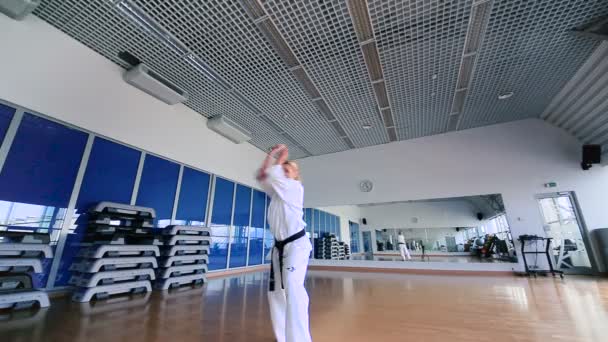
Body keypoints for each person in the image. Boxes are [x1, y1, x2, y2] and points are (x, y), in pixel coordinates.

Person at [257, 144, 312, 342]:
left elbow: (273, 173)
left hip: (296, 245)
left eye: (289, 168)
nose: (285, 168)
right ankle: (283, 338)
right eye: (284, 167)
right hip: (279, 247)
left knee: (292, 288)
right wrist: (271, 155)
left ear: (296, 175)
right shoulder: (278, 193)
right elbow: (264, 175)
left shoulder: (295, 188)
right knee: (276, 294)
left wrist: (281, 157)